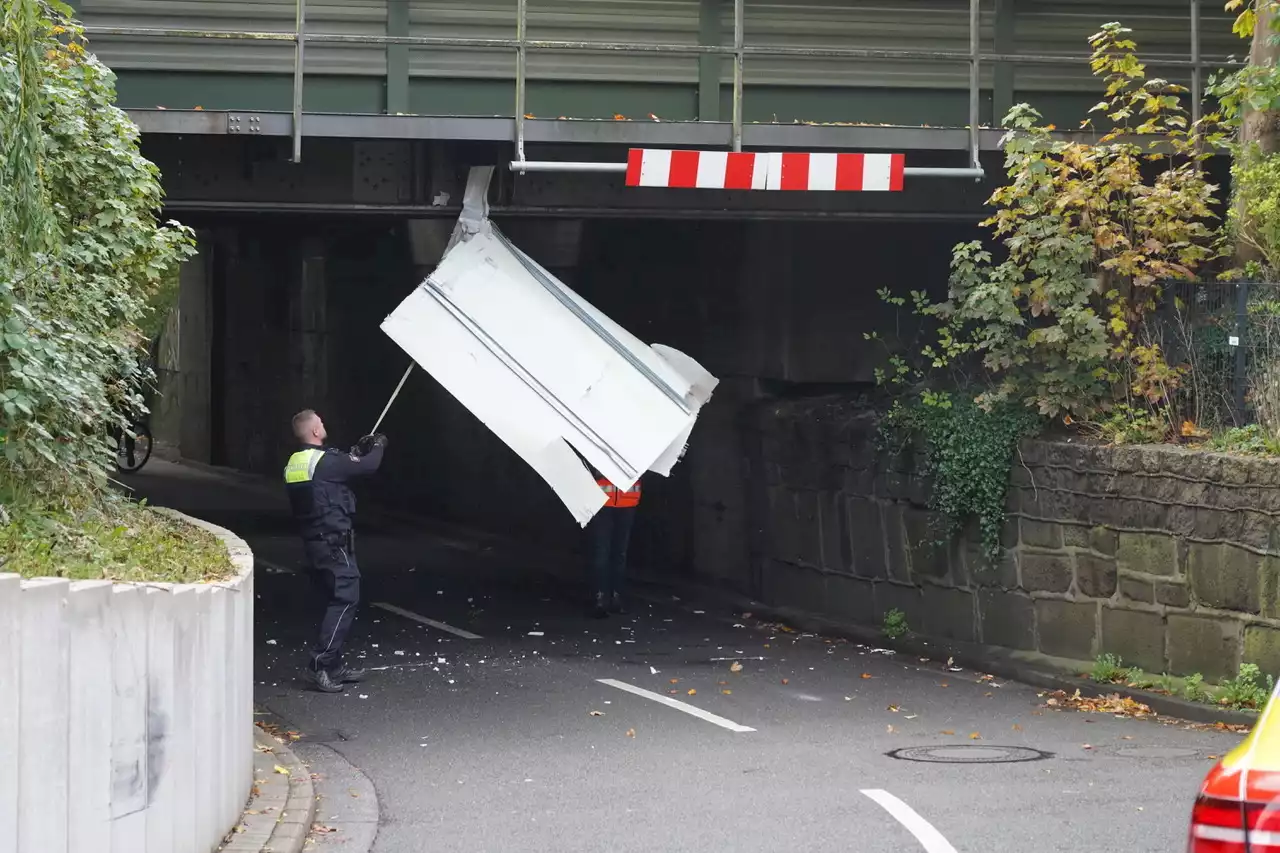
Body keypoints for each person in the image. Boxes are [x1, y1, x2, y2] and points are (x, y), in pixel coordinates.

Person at [283, 409, 387, 693]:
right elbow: (366, 467)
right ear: (315, 432)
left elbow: (334, 475)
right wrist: (377, 444)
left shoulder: (296, 462)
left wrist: (354, 452)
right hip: (332, 542)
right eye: (321, 422)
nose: (324, 424)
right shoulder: (325, 463)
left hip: (315, 540)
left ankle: (335, 666)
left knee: (334, 599)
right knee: (346, 596)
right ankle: (321, 663)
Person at [586, 468, 642, 619]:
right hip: (603, 502)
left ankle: (614, 598)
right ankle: (601, 598)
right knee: (603, 553)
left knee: (618, 554)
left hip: (626, 501)